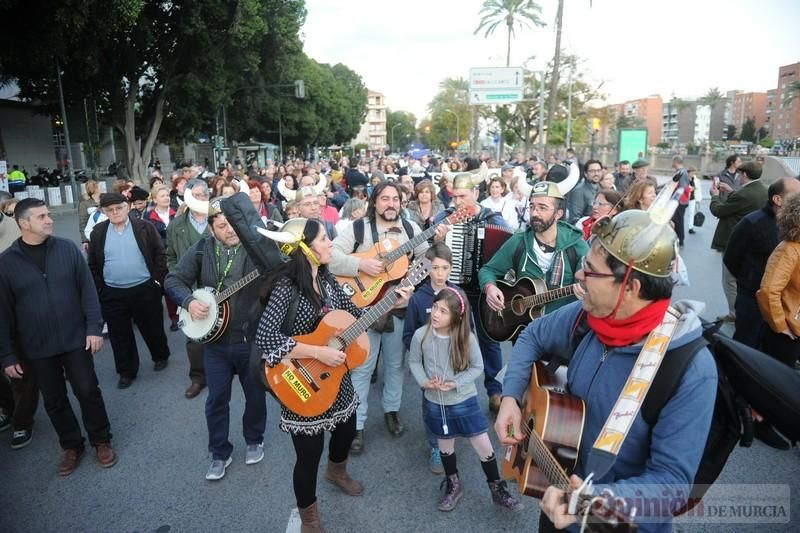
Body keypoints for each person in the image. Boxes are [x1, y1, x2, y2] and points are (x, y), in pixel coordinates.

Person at [496, 207, 717, 533]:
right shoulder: (588, 314)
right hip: (555, 503)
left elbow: (671, 484)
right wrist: (511, 398)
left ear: (631, 287)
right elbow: (532, 335)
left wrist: (593, 501)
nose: (579, 278)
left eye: (590, 270)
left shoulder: (689, 369)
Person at [255, 218, 411, 532]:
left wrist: (390, 302)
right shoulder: (287, 286)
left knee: (346, 430)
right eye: (324, 239)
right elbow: (266, 337)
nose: (330, 243)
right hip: (297, 379)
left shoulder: (328, 281)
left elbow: (354, 317)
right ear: (304, 248)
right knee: (308, 455)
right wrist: (318, 352)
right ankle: (309, 518)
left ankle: (337, 472)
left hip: (335, 379)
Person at [0, 198, 116, 475]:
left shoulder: (67, 249)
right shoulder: (6, 263)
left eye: (48, 215)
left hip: (76, 339)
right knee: (54, 400)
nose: (49, 219)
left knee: (88, 390)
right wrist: (6, 354)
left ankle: (101, 440)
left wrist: (93, 328)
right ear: (24, 223)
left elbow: (87, 290)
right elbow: (3, 313)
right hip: (37, 347)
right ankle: (72, 446)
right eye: (42, 217)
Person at [165, 190, 267, 481]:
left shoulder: (256, 247)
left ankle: (254, 438)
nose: (229, 229)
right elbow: (173, 279)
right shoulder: (200, 249)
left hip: (250, 340)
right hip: (215, 343)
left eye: (233, 223)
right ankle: (219, 452)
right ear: (210, 227)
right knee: (216, 400)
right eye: (221, 225)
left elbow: (279, 274)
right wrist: (188, 301)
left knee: (255, 395)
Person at [330, 181, 427, 452]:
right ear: (374, 202)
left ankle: (391, 411)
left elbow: (427, 261)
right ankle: (357, 425)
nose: (391, 204)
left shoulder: (411, 229)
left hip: (397, 307)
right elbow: (331, 257)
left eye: (395, 199)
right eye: (385, 198)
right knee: (362, 368)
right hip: (363, 310)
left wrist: (410, 285)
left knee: (396, 365)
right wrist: (361, 264)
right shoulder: (358, 228)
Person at [408, 287, 522, 512]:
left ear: (457, 316)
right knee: (445, 446)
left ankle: (496, 488)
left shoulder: (466, 338)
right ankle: (453, 484)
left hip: (464, 401)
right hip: (436, 402)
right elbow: (414, 362)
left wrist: (456, 382)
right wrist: (424, 382)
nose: (436, 315)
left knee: (483, 445)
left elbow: (478, 367)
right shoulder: (421, 335)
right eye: (435, 308)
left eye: (443, 311)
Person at [87, 193, 170, 389]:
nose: (115, 212)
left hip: (145, 288)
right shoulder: (98, 232)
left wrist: (157, 283)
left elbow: (160, 254)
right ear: (104, 212)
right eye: (110, 210)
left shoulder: (144, 227)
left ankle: (160, 356)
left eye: (119, 208)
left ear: (127, 207)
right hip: (113, 293)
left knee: (152, 327)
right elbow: (92, 264)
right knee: (119, 335)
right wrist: (101, 289)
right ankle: (126, 371)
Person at [723, 179, 800, 349]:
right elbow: (731, 258)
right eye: (796, 195)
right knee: (745, 346)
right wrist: (749, 282)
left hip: (783, 305)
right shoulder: (752, 222)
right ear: (777, 199)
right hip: (751, 300)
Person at [402, 242, 459, 474]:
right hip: (428, 368)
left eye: (445, 268)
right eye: (435, 268)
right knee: (431, 407)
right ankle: (436, 446)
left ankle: (449, 441)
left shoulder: (457, 295)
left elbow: (469, 332)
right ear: (426, 269)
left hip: (454, 365)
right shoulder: (418, 299)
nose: (440, 274)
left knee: (454, 404)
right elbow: (408, 335)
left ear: (451, 269)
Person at [166, 179, 212, 398]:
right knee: (193, 337)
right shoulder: (176, 225)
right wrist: (179, 277)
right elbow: (170, 256)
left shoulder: (220, 221)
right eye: (196, 195)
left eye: (204, 194)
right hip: (191, 290)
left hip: (220, 286)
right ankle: (198, 378)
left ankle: (224, 372)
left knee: (223, 330)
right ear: (187, 197)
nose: (201, 198)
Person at [710, 161, 767, 322]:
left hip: (734, 241)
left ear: (745, 175)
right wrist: (732, 191)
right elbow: (747, 202)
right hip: (752, 243)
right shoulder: (765, 190)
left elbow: (718, 211)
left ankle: (735, 314)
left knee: (729, 279)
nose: (738, 177)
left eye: (740, 174)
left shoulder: (744, 194)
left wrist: (714, 196)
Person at [757, 190, 800, 368]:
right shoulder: (788, 249)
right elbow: (768, 291)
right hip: (787, 331)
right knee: (777, 377)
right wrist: (780, 325)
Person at [567, 159, 604, 224]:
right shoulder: (579, 190)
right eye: (592, 171)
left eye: (598, 170)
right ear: (586, 174)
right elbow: (575, 219)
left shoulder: (601, 188)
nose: (596, 174)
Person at [670, 156, 692, 247]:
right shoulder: (682, 172)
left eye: (672, 161)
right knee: (677, 220)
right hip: (680, 200)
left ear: (676, 162)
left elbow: (682, 187)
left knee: (678, 220)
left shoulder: (682, 172)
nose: (671, 163)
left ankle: (680, 239)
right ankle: (679, 238)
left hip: (680, 201)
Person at [79, 180, 103, 251]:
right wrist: (85, 240)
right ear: (94, 189)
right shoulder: (84, 204)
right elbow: (83, 223)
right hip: (93, 236)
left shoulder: (104, 199)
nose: (101, 188)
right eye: (99, 187)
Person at [686, 167, 703, 235]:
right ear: (689, 172)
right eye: (692, 173)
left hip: (692, 198)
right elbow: (686, 188)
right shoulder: (685, 179)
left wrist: (698, 199)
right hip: (685, 198)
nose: (693, 174)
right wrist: (691, 188)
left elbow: (696, 188)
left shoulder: (694, 179)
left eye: (694, 173)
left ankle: (690, 228)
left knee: (691, 213)